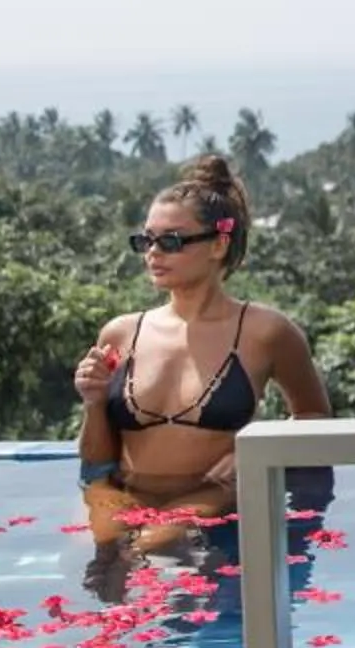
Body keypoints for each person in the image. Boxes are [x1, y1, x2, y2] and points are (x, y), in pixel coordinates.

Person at [72, 154, 330, 558]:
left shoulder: (266, 332)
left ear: (218, 244)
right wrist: (92, 402)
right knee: (92, 557)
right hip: (125, 491)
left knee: (150, 547)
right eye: (145, 240)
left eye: (170, 241)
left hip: (213, 493)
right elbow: (97, 460)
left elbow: (316, 421)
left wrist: (250, 453)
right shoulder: (121, 332)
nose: (152, 253)